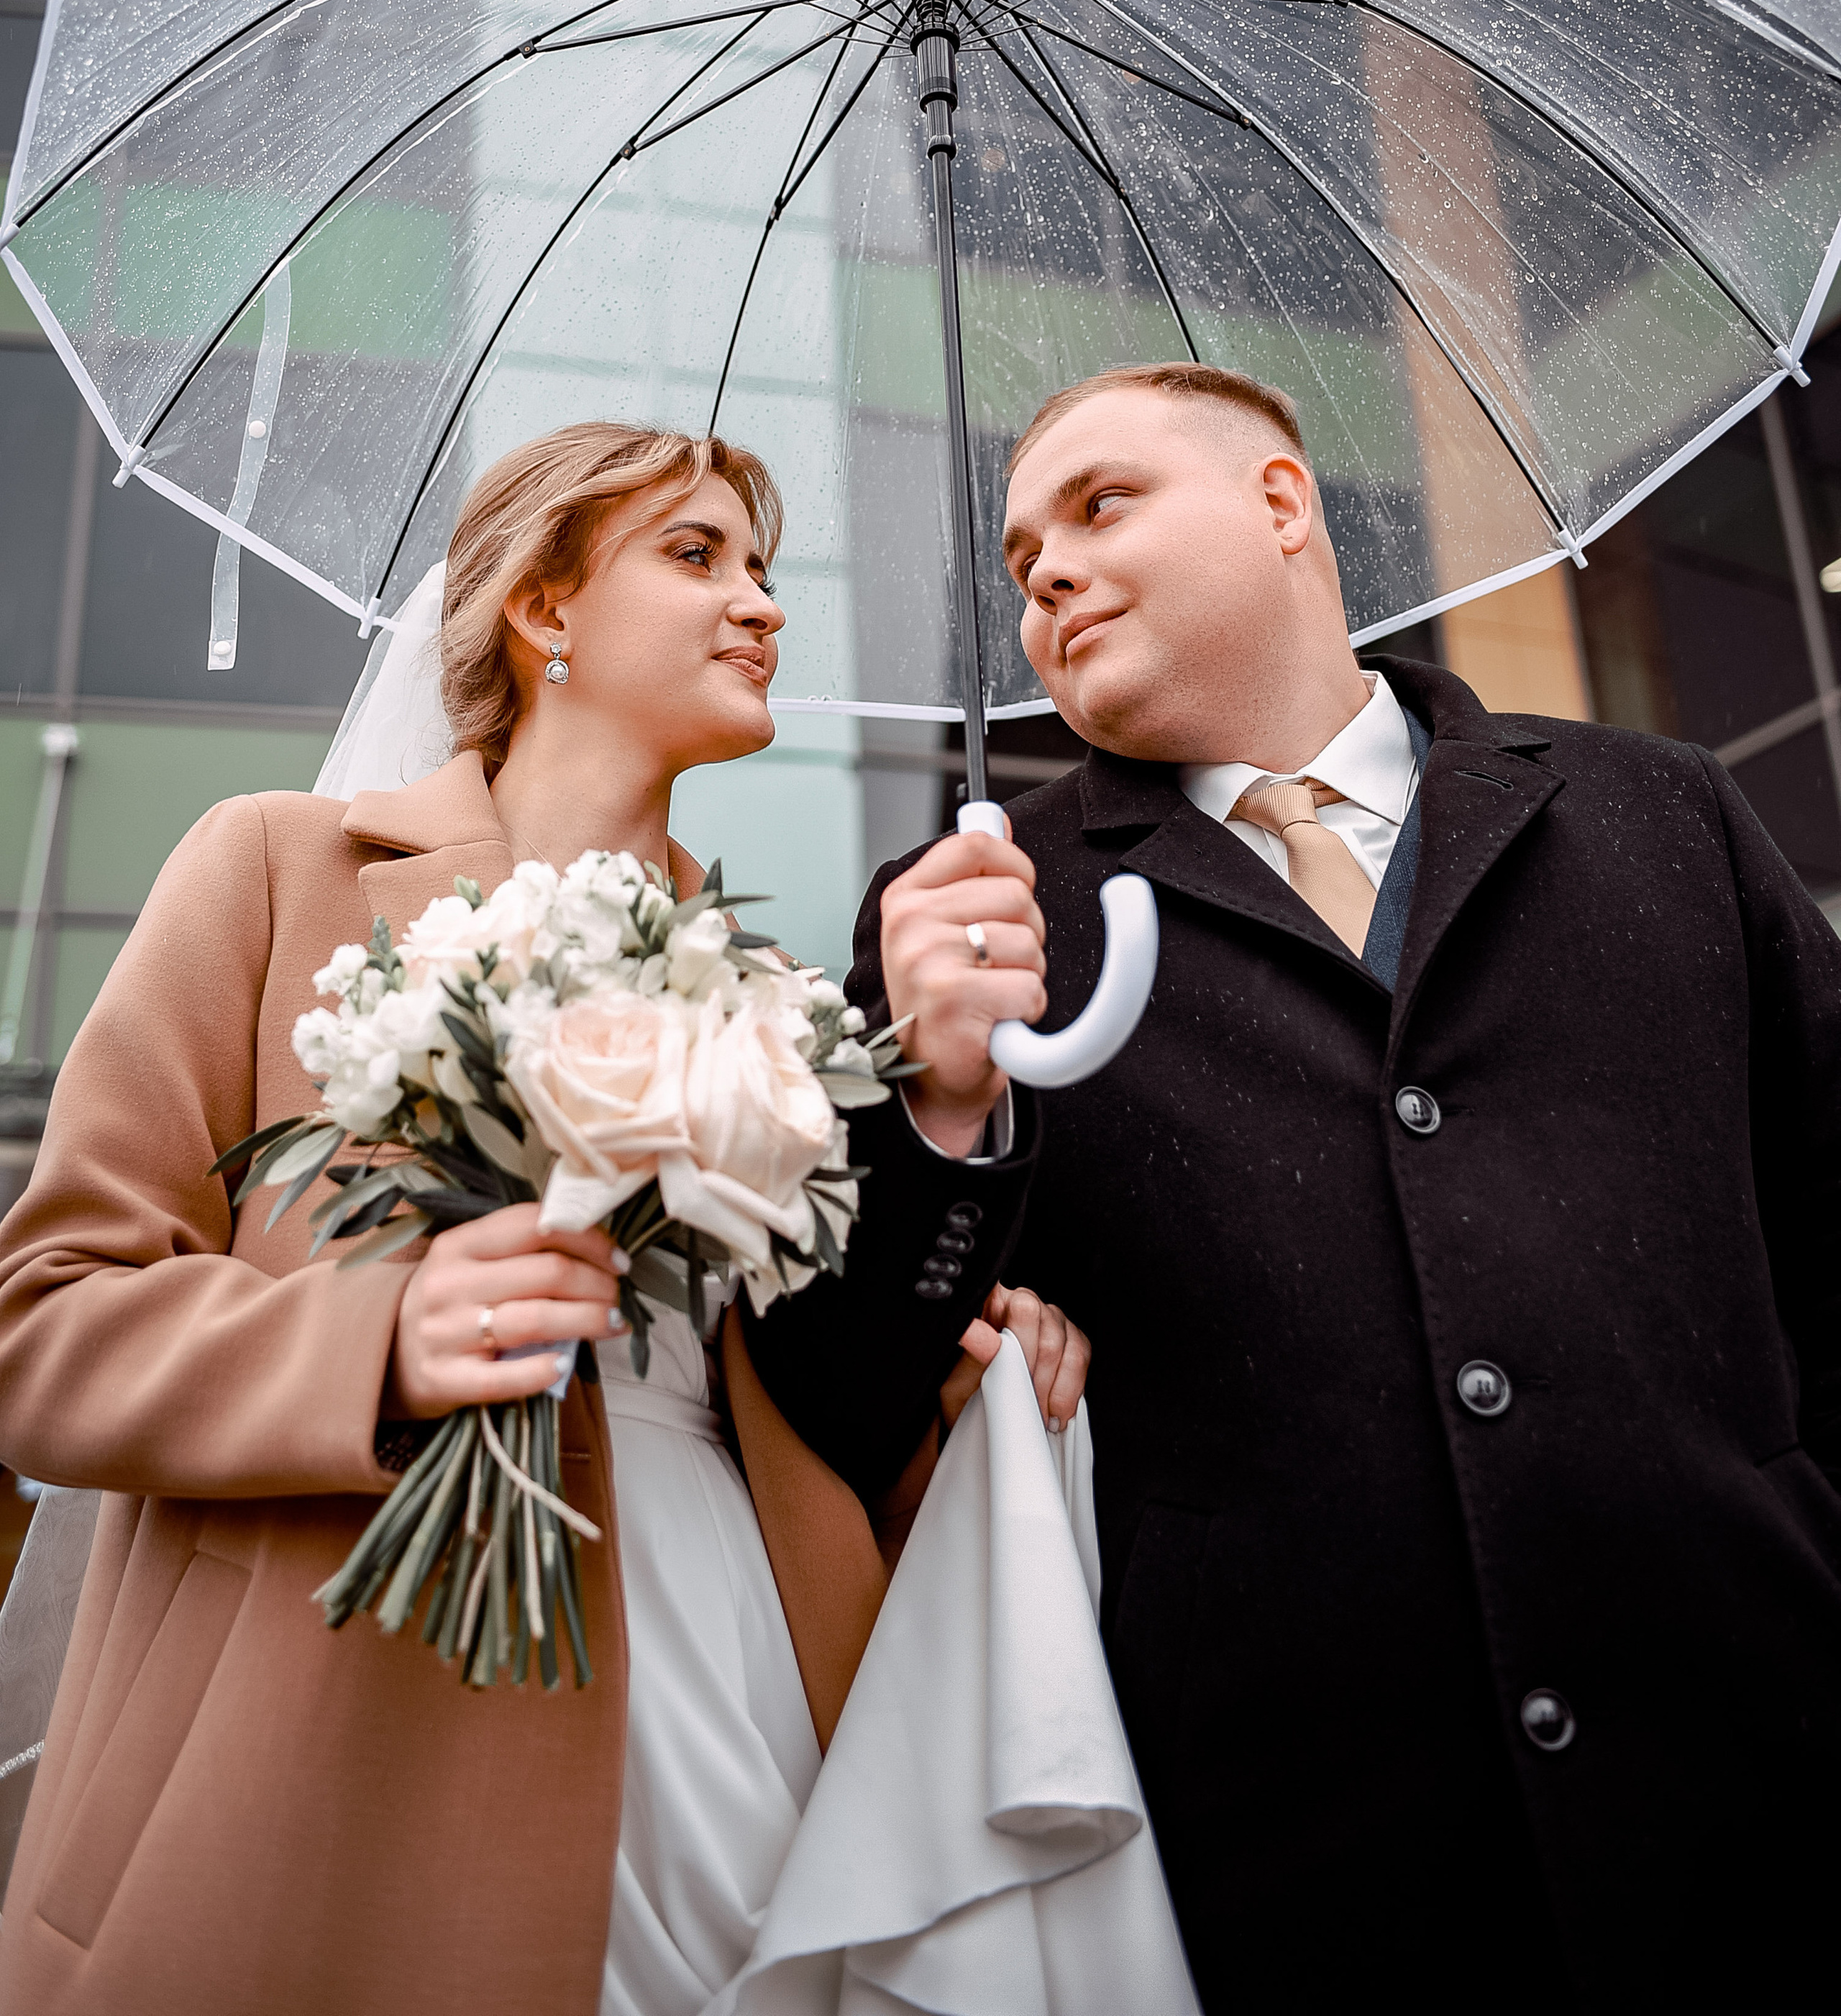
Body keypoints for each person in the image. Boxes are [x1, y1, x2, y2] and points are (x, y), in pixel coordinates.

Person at [742, 360, 1841, 2009]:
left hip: (1768, 1773)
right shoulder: (967, 917)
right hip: (1289, 1863)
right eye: (1019, 552)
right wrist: (937, 1110)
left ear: (1279, 507)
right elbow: (831, 1396)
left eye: (1100, 505)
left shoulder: (1658, 811)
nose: (1039, 567)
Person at [0, 421, 1119, 2016]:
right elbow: (45, 1320)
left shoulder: (784, 998)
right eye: (696, 555)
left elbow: (822, 1389)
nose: (759, 605)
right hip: (336, 1716)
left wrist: (974, 1351)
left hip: (733, 1678)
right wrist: (381, 1338)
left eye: (766, 570)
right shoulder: (272, 868)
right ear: (544, 611)